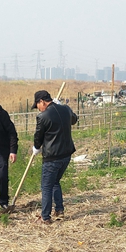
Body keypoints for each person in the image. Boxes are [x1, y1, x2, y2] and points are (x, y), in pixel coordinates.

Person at [32, 90, 78, 224]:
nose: (38, 109)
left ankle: (45, 217)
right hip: (66, 155)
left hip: (52, 157)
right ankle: (59, 210)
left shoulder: (43, 116)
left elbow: (38, 136)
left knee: (46, 186)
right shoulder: (66, 109)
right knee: (55, 182)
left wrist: (36, 147)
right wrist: (63, 107)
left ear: (42, 101)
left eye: (37, 105)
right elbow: (74, 119)